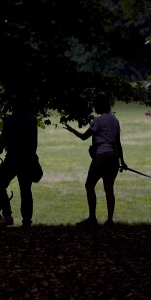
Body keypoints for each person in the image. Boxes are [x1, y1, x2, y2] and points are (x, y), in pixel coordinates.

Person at [64, 93, 128, 226]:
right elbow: (118, 142)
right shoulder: (115, 121)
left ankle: (92, 218)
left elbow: (84, 137)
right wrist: (122, 161)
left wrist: (71, 130)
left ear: (98, 106)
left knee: (89, 185)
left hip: (101, 156)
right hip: (113, 157)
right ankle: (110, 220)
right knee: (109, 188)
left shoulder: (98, 121)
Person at [0, 99, 43, 228]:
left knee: (0, 184)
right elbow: (34, 143)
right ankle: (26, 221)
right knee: (26, 190)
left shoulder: (9, 120)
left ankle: (7, 214)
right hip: (28, 159)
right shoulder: (32, 119)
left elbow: (3, 142)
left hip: (12, 159)